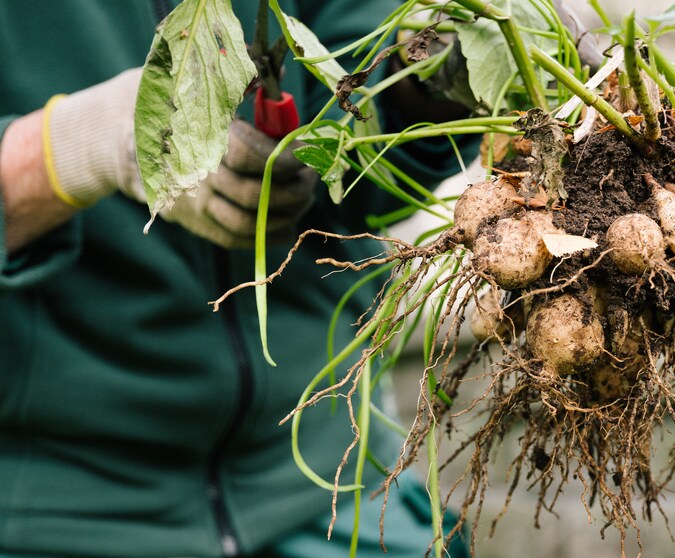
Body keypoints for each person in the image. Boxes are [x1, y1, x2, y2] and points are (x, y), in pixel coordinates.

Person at [0, 1, 473, 556]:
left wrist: (421, 85)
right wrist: (75, 147)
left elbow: (368, 156)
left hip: (328, 478)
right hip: (59, 509)